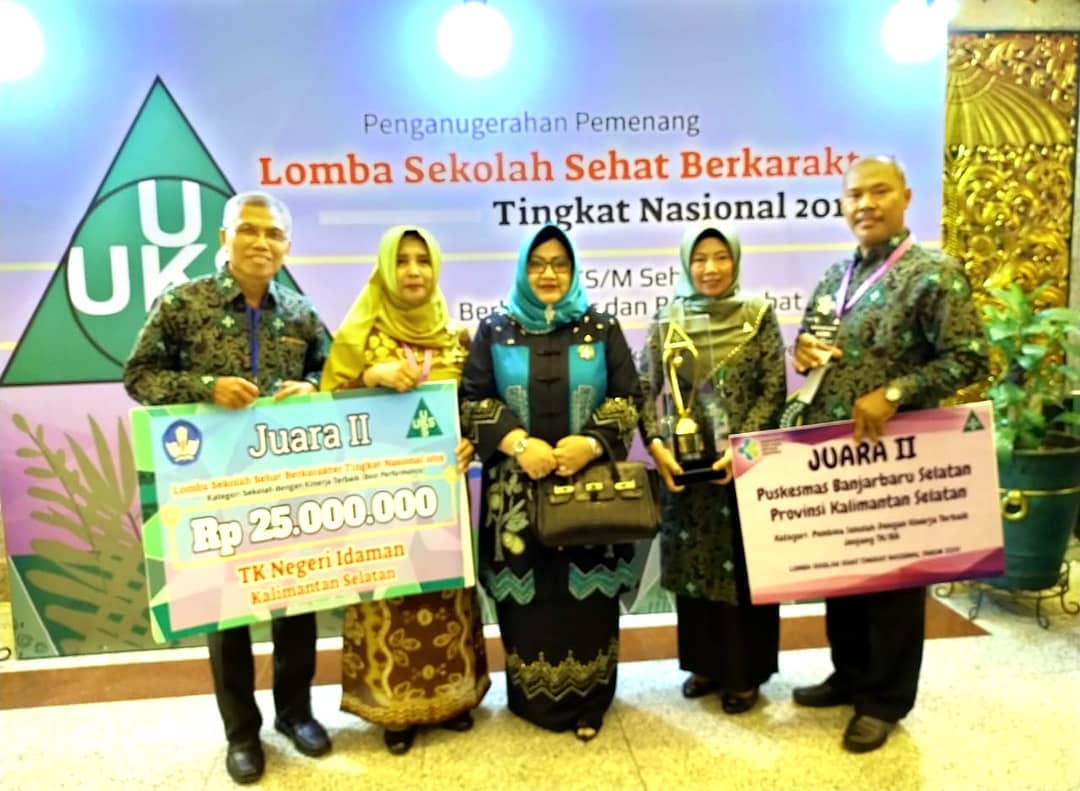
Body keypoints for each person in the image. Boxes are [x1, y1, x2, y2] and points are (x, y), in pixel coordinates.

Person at [123, 191, 332, 784]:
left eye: (274, 234)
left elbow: (329, 368)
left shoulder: (300, 311)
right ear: (224, 238)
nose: (261, 242)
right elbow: (138, 376)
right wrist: (206, 387)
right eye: (248, 230)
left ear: (287, 246)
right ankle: (241, 732)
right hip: (210, 485)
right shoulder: (182, 303)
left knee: (297, 599)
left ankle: (296, 713)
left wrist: (313, 386)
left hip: (287, 482)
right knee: (226, 610)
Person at [790, 156, 989, 753]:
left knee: (894, 584)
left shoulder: (934, 274)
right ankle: (849, 675)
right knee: (845, 575)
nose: (866, 204)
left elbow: (971, 358)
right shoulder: (836, 276)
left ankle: (883, 701)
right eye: (855, 195)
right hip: (839, 457)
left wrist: (896, 393)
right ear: (842, 204)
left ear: (905, 197)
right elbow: (812, 344)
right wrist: (804, 352)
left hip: (901, 461)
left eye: (879, 192)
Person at [459, 225, 642, 741]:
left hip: (589, 494)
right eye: (537, 263)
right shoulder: (495, 329)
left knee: (588, 598)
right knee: (528, 599)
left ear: (574, 270)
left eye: (560, 263)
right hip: (514, 499)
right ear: (523, 269)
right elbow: (472, 399)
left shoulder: (601, 327)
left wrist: (591, 444)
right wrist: (518, 443)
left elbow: (629, 396)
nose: (548, 273)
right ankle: (532, 699)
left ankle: (590, 701)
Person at [319, 225, 490, 755]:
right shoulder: (360, 333)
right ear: (385, 268)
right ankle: (393, 709)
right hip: (380, 495)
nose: (413, 271)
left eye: (423, 260)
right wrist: (371, 375)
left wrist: (472, 442)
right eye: (402, 260)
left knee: (447, 591)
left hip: (442, 490)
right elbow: (326, 405)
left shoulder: (455, 335)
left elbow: (475, 403)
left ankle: (454, 698)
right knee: (389, 596)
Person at [639, 224, 786, 714]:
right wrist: (655, 444)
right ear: (687, 263)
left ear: (735, 261)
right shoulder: (669, 319)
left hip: (743, 467)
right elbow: (643, 387)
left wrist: (743, 446)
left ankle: (745, 674)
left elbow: (773, 387)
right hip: (687, 469)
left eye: (721, 256)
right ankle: (703, 664)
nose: (710, 268)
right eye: (699, 258)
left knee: (745, 572)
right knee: (695, 570)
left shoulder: (758, 315)